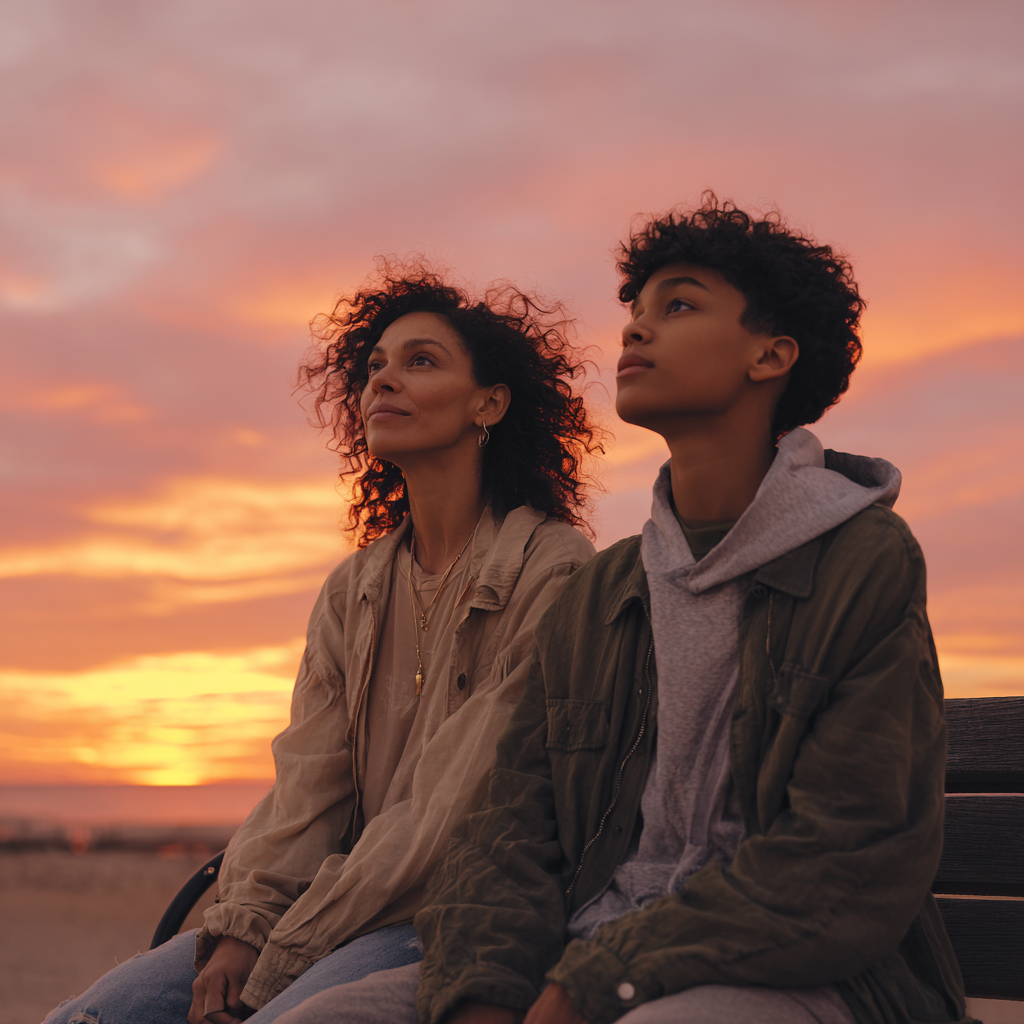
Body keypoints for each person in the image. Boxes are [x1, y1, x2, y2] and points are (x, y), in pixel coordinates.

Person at [274, 196, 970, 1024]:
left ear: (771, 354)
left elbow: (844, 858)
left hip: (805, 976)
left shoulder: (864, 563)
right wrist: (484, 998)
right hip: (589, 953)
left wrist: (602, 980)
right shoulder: (607, 593)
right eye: (635, 312)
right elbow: (506, 836)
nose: (635, 331)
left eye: (677, 306)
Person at [45, 265, 598, 1024]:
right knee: (90, 1016)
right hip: (327, 905)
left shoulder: (554, 569)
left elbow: (456, 806)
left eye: (420, 362)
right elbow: (306, 783)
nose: (385, 382)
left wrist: (292, 943)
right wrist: (244, 922)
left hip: (453, 907)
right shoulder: (355, 587)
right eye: (375, 367)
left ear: (490, 404)